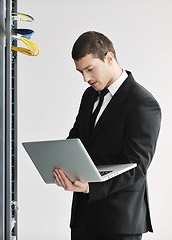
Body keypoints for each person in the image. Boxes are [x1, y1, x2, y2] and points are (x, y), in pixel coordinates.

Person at [53, 31, 161, 240]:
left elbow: (136, 168)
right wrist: (61, 164)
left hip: (119, 224)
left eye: (89, 69)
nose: (85, 78)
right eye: (80, 72)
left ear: (109, 58)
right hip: (83, 219)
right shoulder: (89, 96)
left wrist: (90, 187)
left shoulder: (143, 103)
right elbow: (77, 141)